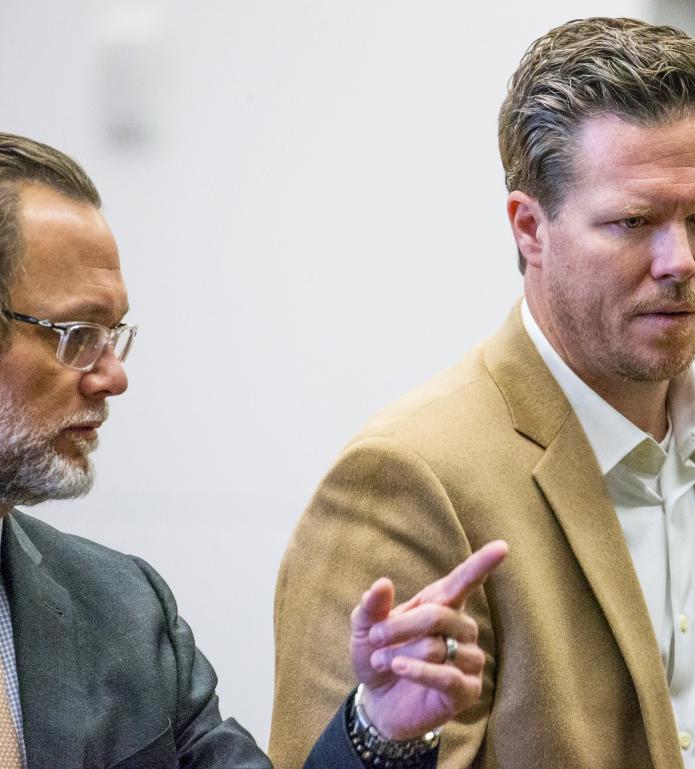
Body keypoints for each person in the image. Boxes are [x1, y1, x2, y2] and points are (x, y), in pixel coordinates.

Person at [270, 16, 695, 769]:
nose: (680, 261)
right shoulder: (408, 476)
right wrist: (387, 738)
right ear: (530, 228)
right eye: (632, 222)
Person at [0, 132, 506, 769]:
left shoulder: (122, 607)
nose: (113, 376)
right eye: (77, 335)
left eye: (114, 335)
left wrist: (380, 726)